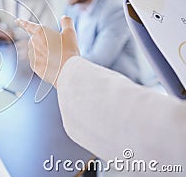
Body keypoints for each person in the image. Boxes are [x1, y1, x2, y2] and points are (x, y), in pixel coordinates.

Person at [17, 17, 186, 172]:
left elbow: (99, 58)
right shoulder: (74, 10)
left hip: (120, 94)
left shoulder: (113, 13)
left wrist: (63, 65)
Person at [63, 0, 141, 83]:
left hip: (120, 89)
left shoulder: (115, 11)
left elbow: (99, 61)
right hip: (90, 82)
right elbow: (60, 39)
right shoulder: (73, 6)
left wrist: (58, 61)